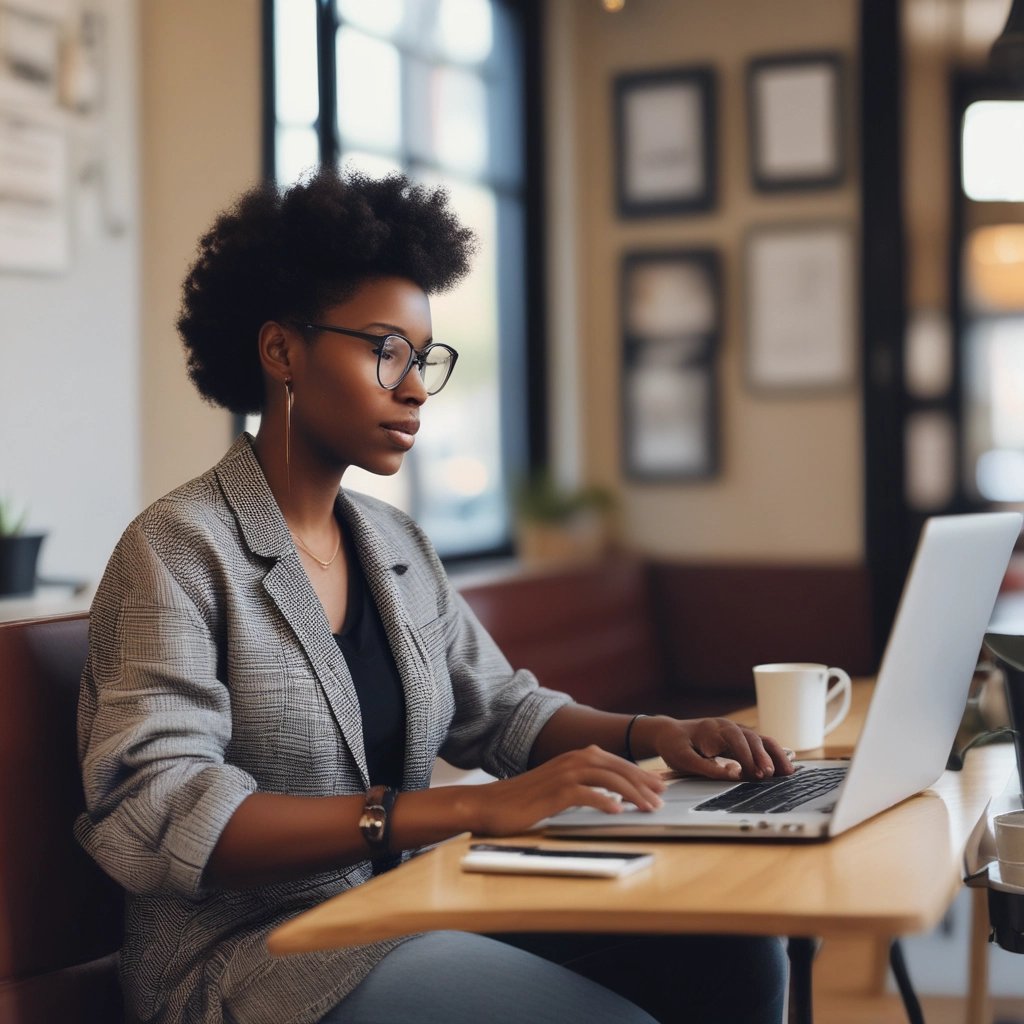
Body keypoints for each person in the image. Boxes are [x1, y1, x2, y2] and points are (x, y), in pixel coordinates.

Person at [76, 168, 794, 1024]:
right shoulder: (180, 550)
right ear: (281, 352)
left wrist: (653, 736)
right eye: (385, 349)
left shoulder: (395, 545)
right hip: (253, 956)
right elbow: (162, 807)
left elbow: (501, 713)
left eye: (423, 358)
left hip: (411, 910)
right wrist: (468, 807)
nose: (414, 386)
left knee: (732, 938)